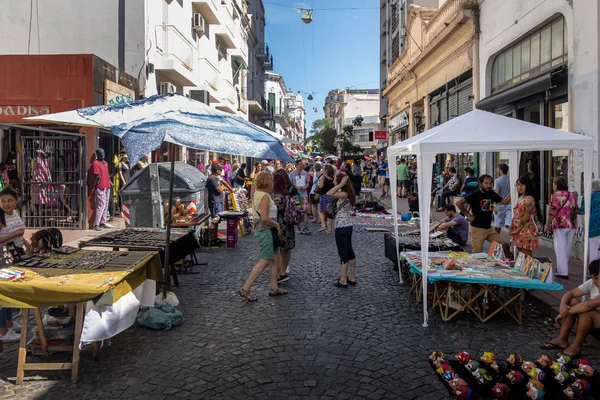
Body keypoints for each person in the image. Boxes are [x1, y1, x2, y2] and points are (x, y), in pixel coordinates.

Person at [238, 172, 288, 301]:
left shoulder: (258, 194)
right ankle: (246, 288)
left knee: (275, 258)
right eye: (271, 180)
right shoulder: (265, 196)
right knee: (265, 260)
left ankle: (274, 287)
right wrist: (276, 225)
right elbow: (265, 218)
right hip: (266, 230)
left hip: (264, 230)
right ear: (266, 182)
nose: (272, 182)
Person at [541, 260, 600, 357]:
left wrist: (564, 313)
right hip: (593, 320)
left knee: (586, 311)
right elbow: (570, 293)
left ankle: (576, 347)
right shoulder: (592, 282)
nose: (596, 281)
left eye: (597, 278)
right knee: (572, 301)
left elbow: (589, 305)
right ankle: (562, 339)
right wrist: (563, 305)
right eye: (594, 278)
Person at [456, 174, 511, 255]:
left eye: (490, 183)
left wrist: (513, 191)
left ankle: (507, 263)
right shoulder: (475, 194)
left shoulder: (492, 194)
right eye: (486, 183)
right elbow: (458, 203)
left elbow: (505, 202)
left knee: (504, 245)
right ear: (481, 184)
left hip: (489, 228)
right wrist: (468, 215)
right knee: (477, 254)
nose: (488, 185)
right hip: (477, 229)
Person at [326, 173, 357, 288]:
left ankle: (343, 279)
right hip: (348, 225)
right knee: (350, 252)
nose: (334, 181)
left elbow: (329, 193)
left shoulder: (344, 194)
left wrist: (339, 184)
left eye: (335, 180)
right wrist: (341, 185)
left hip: (341, 226)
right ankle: (352, 277)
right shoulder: (349, 193)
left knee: (343, 253)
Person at [546, 176, 579, 279]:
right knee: (567, 246)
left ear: (557, 185)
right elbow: (576, 208)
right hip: (571, 223)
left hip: (560, 223)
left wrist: (547, 224)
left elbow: (552, 211)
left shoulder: (555, 195)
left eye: (554, 184)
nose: (553, 186)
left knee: (559, 247)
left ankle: (562, 271)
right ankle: (564, 267)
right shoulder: (572, 195)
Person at [271, 169, 299, 282]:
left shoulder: (272, 194)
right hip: (288, 223)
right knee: (286, 248)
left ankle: (279, 271)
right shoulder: (291, 190)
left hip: (275, 224)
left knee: (278, 249)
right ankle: (283, 271)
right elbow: (298, 205)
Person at [509, 175, 539, 258]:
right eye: (518, 185)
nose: (519, 187)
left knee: (526, 253)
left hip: (526, 229)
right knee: (520, 254)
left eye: (522, 185)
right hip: (518, 229)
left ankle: (528, 270)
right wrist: (511, 227)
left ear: (527, 185)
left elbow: (526, 216)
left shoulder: (529, 199)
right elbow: (515, 215)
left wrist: (517, 230)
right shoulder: (520, 198)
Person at [578, 179, 600, 262]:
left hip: (593, 227)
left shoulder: (587, 196)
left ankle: (593, 272)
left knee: (593, 251)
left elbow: (582, 210)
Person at [92, 148, 113, 231]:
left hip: (106, 185)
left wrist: (109, 182)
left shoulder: (106, 163)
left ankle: (102, 222)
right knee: (101, 204)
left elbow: (106, 174)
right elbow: (97, 176)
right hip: (100, 186)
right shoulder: (95, 163)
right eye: (101, 153)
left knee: (106, 204)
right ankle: (96, 224)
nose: (102, 155)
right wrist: (94, 186)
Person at [289, 160, 310, 234]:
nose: (302, 165)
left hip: (304, 195)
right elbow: (290, 183)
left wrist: (305, 187)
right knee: (297, 210)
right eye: (300, 164)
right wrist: (295, 187)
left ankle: (305, 226)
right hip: (296, 196)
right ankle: (297, 226)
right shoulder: (292, 174)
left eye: (303, 164)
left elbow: (308, 182)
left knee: (305, 210)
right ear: (296, 165)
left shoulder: (305, 173)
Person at [317, 164, 336, 233]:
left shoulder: (323, 177)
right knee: (329, 212)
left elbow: (321, 186)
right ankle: (329, 228)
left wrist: (318, 184)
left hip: (324, 196)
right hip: (332, 196)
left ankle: (323, 225)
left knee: (320, 210)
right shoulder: (334, 177)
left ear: (325, 170)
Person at [493, 163, 512, 234]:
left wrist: (494, 206)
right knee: (510, 226)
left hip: (500, 206)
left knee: (497, 226)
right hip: (510, 206)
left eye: (497, 170)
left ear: (500, 171)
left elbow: (495, 194)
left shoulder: (497, 181)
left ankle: (495, 243)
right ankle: (513, 242)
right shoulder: (511, 180)